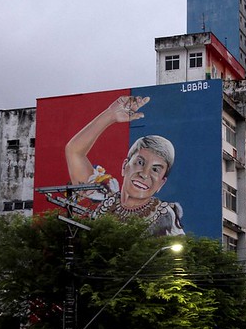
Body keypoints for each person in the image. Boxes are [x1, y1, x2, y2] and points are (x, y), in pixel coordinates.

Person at [65, 95, 184, 236]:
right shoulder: (102, 199)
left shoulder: (165, 215)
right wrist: (110, 115)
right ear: (124, 166)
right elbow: (73, 151)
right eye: (140, 163)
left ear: (161, 183)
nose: (144, 174)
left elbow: (180, 256)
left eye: (155, 169)